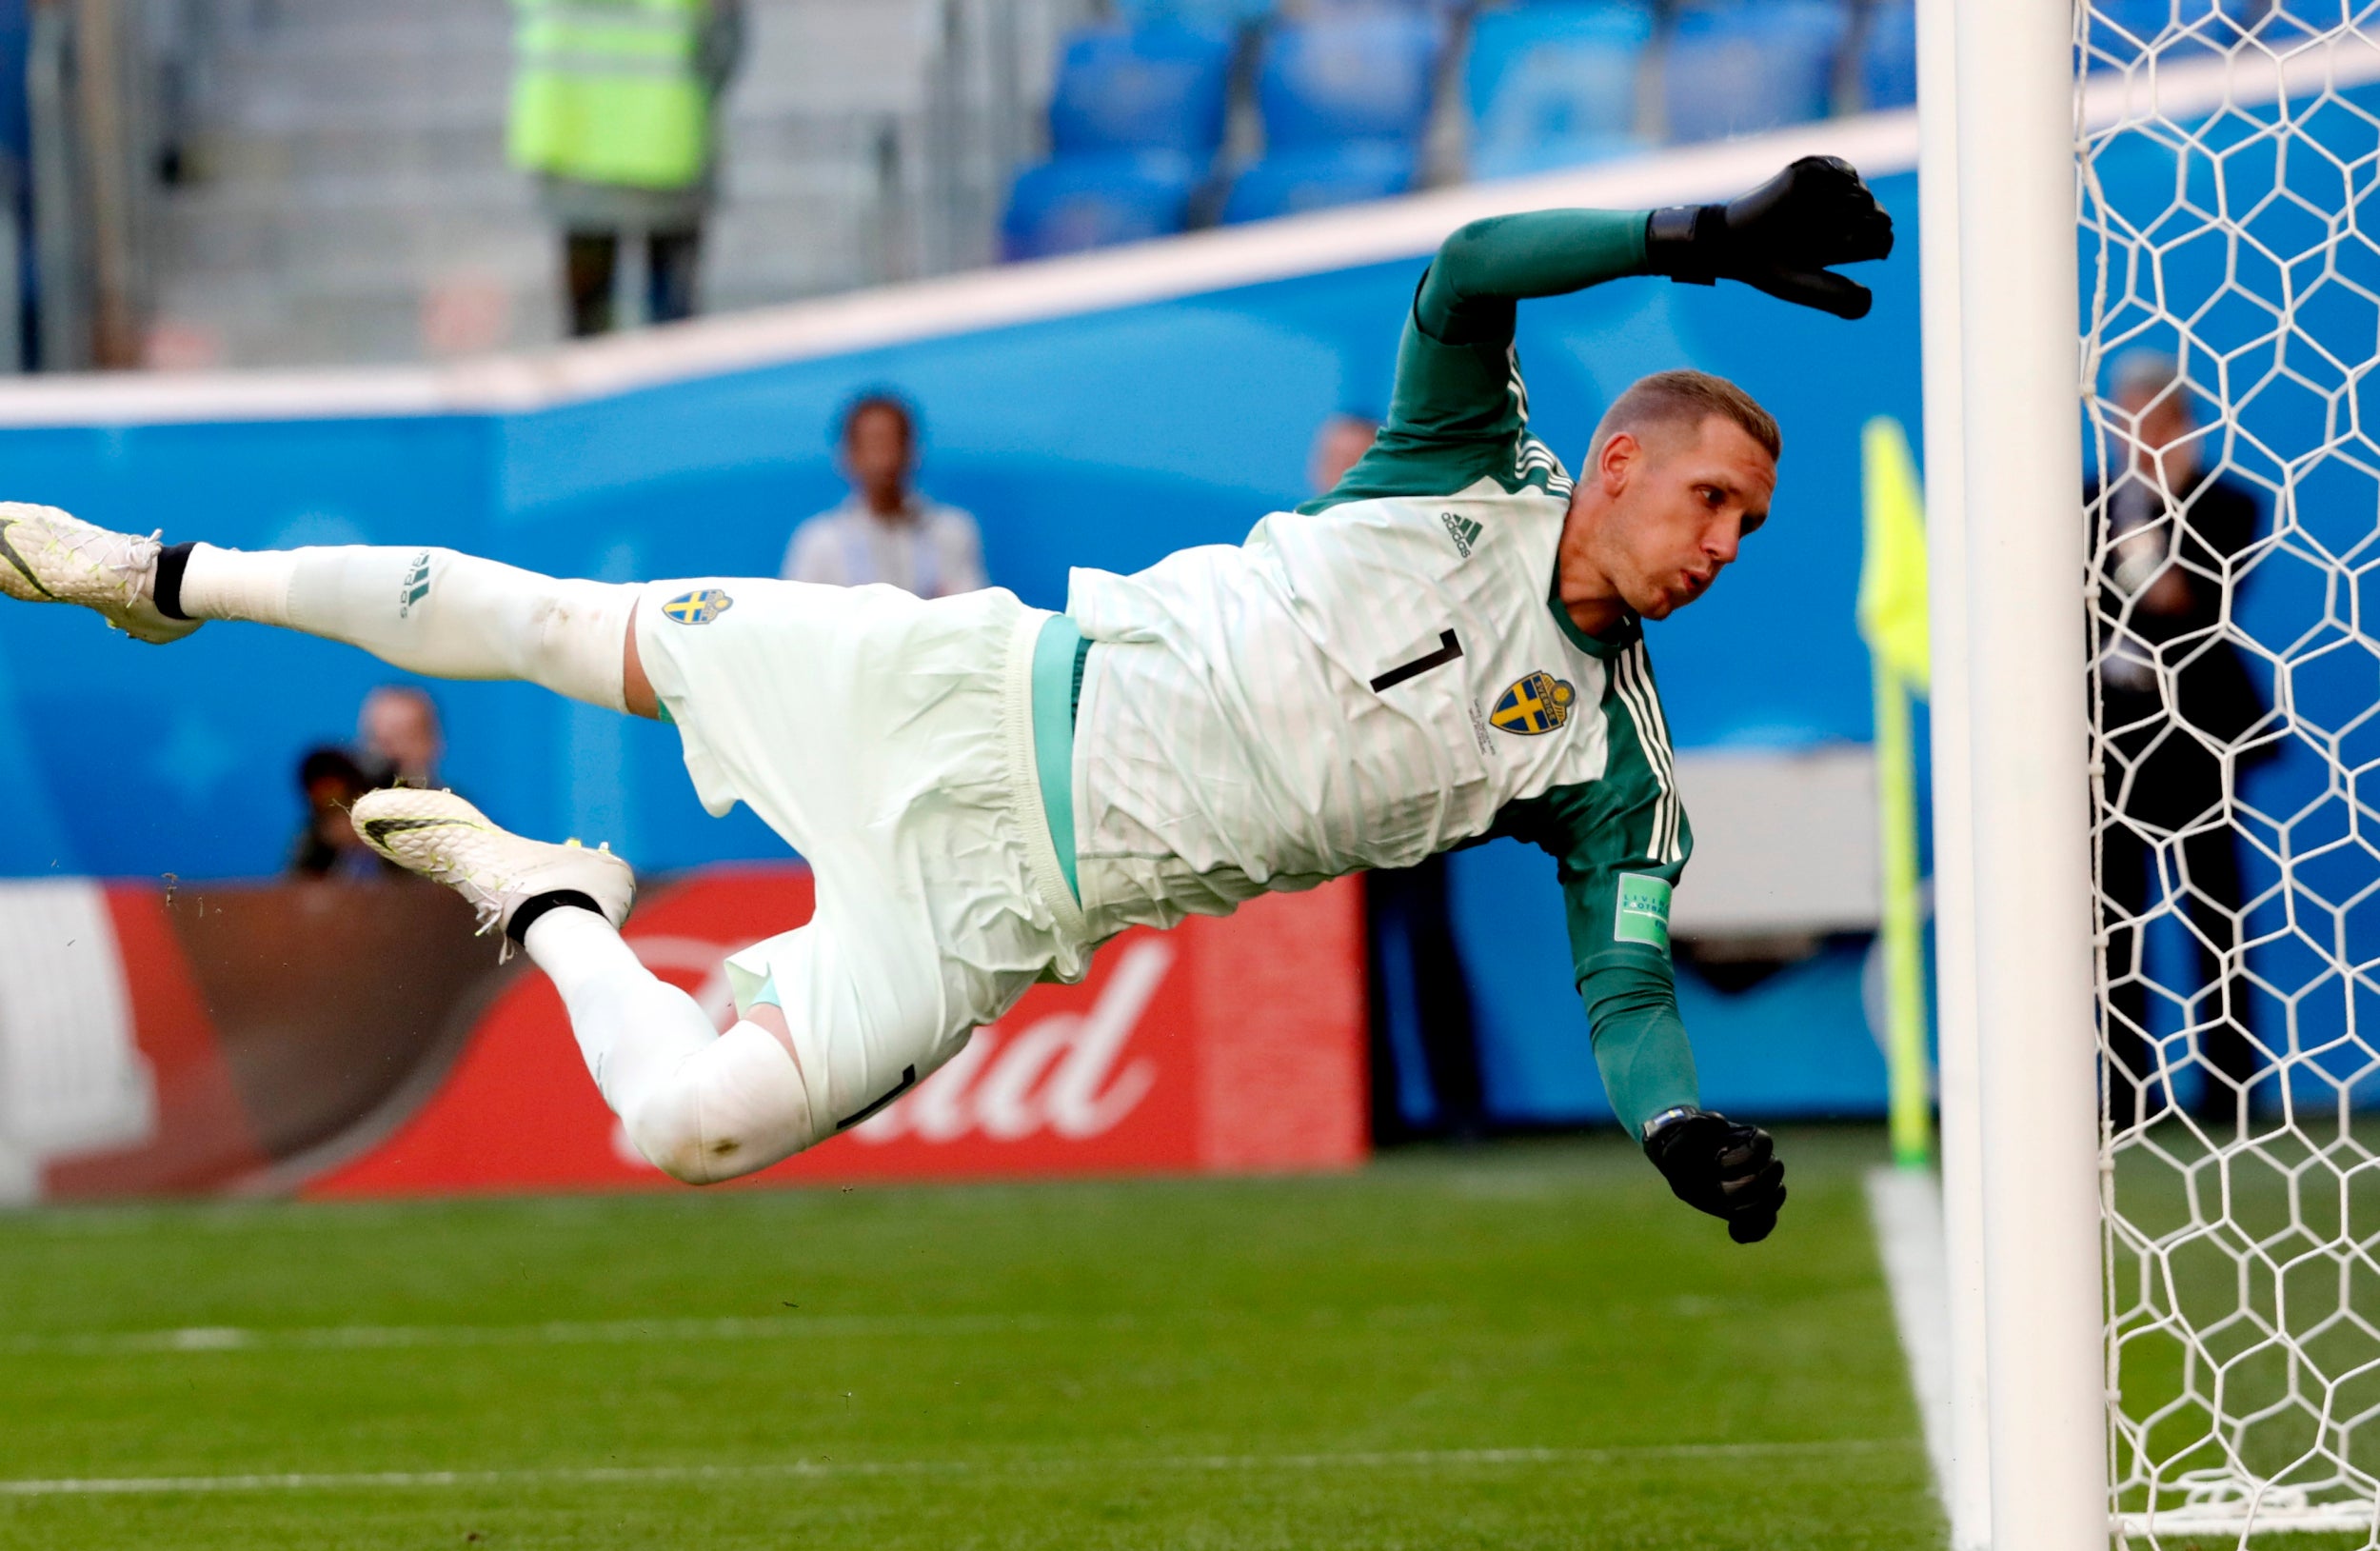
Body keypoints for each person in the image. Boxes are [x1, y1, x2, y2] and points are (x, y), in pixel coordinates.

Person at [0, 156, 1893, 1243]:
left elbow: (1624, 977)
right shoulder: (1458, 468)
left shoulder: (1603, 763)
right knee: (550, 624)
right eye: (1712, 496)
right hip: (954, 691)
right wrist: (1690, 236)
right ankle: (162, 574)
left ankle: (547, 897)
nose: (1723, 540)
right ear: (1620, 465)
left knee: (684, 1130)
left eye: (1750, 521)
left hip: (1004, 911)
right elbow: (1463, 266)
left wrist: (1667, 1126)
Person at [2091, 354, 2269, 1134]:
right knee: (2114, 920)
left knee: (2215, 914)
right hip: (2111, 740)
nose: (2138, 436)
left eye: (2155, 420)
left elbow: (2184, 602)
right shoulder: (2080, 503)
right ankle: (2129, 1092)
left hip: (2201, 738)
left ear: (2183, 425)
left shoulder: (2229, 506)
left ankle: (2232, 1090)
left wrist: (2155, 511)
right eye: (2126, 419)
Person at [1316, 411, 1489, 1143]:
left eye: (1354, 458)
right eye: (1331, 460)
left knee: (1425, 943)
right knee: (1345, 951)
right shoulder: (1293, 555)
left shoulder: (1420, 554)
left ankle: (1460, 1108)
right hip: (1329, 779)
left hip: (1416, 777)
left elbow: (1448, 659)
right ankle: (1369, 1113)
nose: (1341, 474)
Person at [507, 0, 744, 337]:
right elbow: (724, 38)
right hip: (666, 141)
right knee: (671, 340)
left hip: (572, 141)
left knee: (590, 336)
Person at [783, 392, 987, 598]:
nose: (883, 460)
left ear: (912, 451)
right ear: (848, 455)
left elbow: (968, 613)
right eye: (871, 445)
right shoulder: (819, 542)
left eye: (892, 444)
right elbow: (801, 620)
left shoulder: (952, 531)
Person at [288, 746, 391, 881]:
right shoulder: (312, 845)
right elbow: (294, 887)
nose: (341, 824)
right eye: (329, 812)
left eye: (348, 804)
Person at [358, 685, 446, 790]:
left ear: (430, 743)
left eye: (399, 739)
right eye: (376, 739)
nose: (387, 754)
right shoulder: (347, 798)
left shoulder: (454, 805)